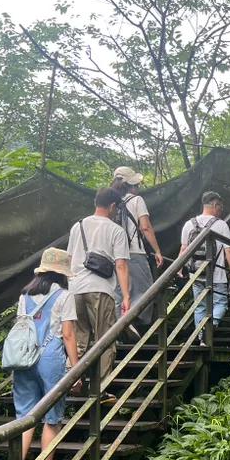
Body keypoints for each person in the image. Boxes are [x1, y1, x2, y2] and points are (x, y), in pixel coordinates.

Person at [10, 248, 80, 460]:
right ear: (62, 274)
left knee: (25, 419)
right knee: (52, 416)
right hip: (50, 358)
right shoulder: (63, 296)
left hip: (23, 358)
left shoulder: (24, 295)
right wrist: (75, 369)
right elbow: (68, 335)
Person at [66, 187, 130, 389]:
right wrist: (126, 296)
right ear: (112, 206)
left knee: (80, 340)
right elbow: (120, 265)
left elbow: (68, 259)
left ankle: (71, 380)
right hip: (100, 289)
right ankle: (102, 388)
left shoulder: (78, 226)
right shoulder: (116, 230)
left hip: (75, 288)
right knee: (105, 339)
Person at [111, 166, 163, 332]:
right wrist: (157, 251)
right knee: (146, 289)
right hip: (134, 252)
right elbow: (145, 227)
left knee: (118, 290)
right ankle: (132, 321)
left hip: (114, 254)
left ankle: (117, 326)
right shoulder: (136, 200)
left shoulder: (111, 202)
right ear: (130, 185)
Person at [178, 191, 230, 339]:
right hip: (217, 275)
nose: (221, 211)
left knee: (200, 306)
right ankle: (210, 326)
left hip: (196, 274)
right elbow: (228, 250)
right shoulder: (220, 225)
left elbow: (183, 249)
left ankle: (201, 339)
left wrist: (179, 267)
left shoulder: (189, 224)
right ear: (215, 205)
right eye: (221, 208)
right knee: (221, 303)